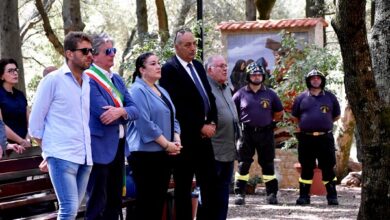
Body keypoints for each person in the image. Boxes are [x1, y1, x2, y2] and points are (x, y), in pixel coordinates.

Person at [29, 31, 94, 219]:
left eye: (91, 50)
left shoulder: (88, 81)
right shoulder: (52, 80)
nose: (90, 55)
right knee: (68, 209)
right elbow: (34, 125)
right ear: (69, 53)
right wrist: (50, 151)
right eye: (84, 51)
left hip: (85, 157)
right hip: (61, 156)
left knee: (73, 211)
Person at [159, 28, 218, 220]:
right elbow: (177, 106)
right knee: (183, 188)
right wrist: (199, 127)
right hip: (185, 140)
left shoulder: (198, 66)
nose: (193, 48)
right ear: (177, 47)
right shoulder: (170, 69)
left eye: (194, 43)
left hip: (204, 139)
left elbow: (209, 96)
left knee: (210, 185)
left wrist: (213, 122)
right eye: (187, 45)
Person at [84, 33, 139, 220]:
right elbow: (103, 114)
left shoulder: (117, 80)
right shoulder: (89, 79)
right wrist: (123, 112)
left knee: (115, 202)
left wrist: (120, 112)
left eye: (114, 50)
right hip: (99, 149)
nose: (113, 54)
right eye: (108, 51)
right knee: (97, 202)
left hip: (119, 148)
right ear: (95, 54)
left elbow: (135, 110)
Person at [127, 52, 182, 220]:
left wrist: (176, 140)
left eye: (158, 63)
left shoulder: (161, 90)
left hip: (163, 154)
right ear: (142, 69)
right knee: (147, 204)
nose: (158, 66)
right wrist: (167, 144)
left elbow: (174, 117)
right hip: (145, 156)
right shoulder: (137, 90)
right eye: (153, 64)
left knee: (158, 204)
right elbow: (144, 124)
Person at [232, 62, 284, 205]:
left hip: (266, 133)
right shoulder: (240, 94)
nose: (256, 77)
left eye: (259, 74)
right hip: (246, 134)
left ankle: (272, 194)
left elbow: (279, 113)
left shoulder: (270, 94)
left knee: (267, 164)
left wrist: (269, 123)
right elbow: (232, 112)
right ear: (248, 76)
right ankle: (240, 194)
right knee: (243, 164)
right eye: (254, 74)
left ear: (263, 76)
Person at [291, 69, 341, 206]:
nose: (315, 80)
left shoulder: (330, 97)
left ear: (322, 80)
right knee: (306, 167)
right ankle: (303, 197)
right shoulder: (301, 97)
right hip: (306, 139)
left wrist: (322, 124)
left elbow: (336, 116)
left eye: (318, 78)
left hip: (325, 138)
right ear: (308, 81)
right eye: (312, 78)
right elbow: (295, 117)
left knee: (328, 167)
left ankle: (332, 197)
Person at [205, 55, 239, 220]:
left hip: (228, 150)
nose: (225, 69)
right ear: (210, 69)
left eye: (226, 66)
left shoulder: (226, 87)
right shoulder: (205, 88)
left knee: (223, 194)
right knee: (210, 195)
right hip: (212, 151)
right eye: (220, 66)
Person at [0, 58, 31, 148]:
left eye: (16, 70)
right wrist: (21, 141)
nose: (15, 73)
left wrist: (28, 139)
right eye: (10, 71)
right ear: (1, 76)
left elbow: (30, 120)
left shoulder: (20, 95)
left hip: (27, 146)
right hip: (7, 148)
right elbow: (0, 125)